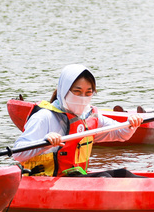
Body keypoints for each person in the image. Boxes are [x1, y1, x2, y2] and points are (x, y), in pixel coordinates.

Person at [12, 64, 144, 177]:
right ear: (64, 91)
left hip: (75, 176)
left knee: (122, 174)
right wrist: (45, 142)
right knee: (104, 178)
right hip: (46, 180)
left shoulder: (90, 116)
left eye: (88, 93)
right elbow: (18, 153)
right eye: (77, 91)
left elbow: (121, 133)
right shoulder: (44, 117)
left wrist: (132, 124)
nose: (83, 98)